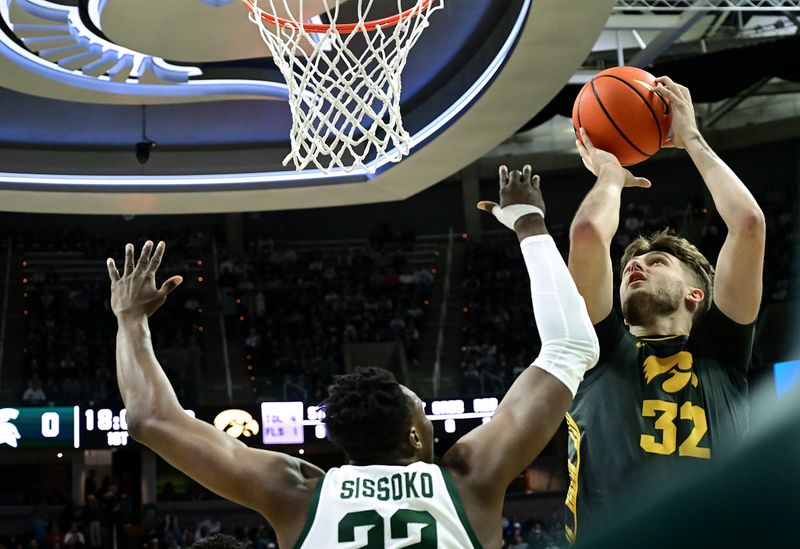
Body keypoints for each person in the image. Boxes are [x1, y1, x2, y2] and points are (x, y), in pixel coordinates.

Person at [106, 165, 599, 549]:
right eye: (424, 416)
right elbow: (569, 347)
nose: (431, 427)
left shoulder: (296, 493)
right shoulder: (470, 479)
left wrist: (130, 319)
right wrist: (530, 224)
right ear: (411, 434)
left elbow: (150, 418)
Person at [566, 76, 766, 542]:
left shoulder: (723, 354)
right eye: (630, 266)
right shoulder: (598, 351)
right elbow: (588, 236)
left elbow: (749, 223)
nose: (635, 266)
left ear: (697, 295)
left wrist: (691, 139)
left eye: (656, 262)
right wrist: (611, 176)